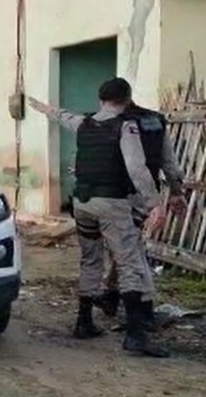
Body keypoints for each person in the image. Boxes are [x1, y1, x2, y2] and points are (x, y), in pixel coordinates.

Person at [29, 78, 169, 357]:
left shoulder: (86, 123)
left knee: (90, 258)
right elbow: (137, 168)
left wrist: (43, 107)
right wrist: (155, 204)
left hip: (81, 202)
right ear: (127, 100)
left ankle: (84, 322)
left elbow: (62, 116)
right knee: (129, 262)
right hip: (112, 203)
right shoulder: (126, 126)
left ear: (100, 99)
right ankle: (136, 335)